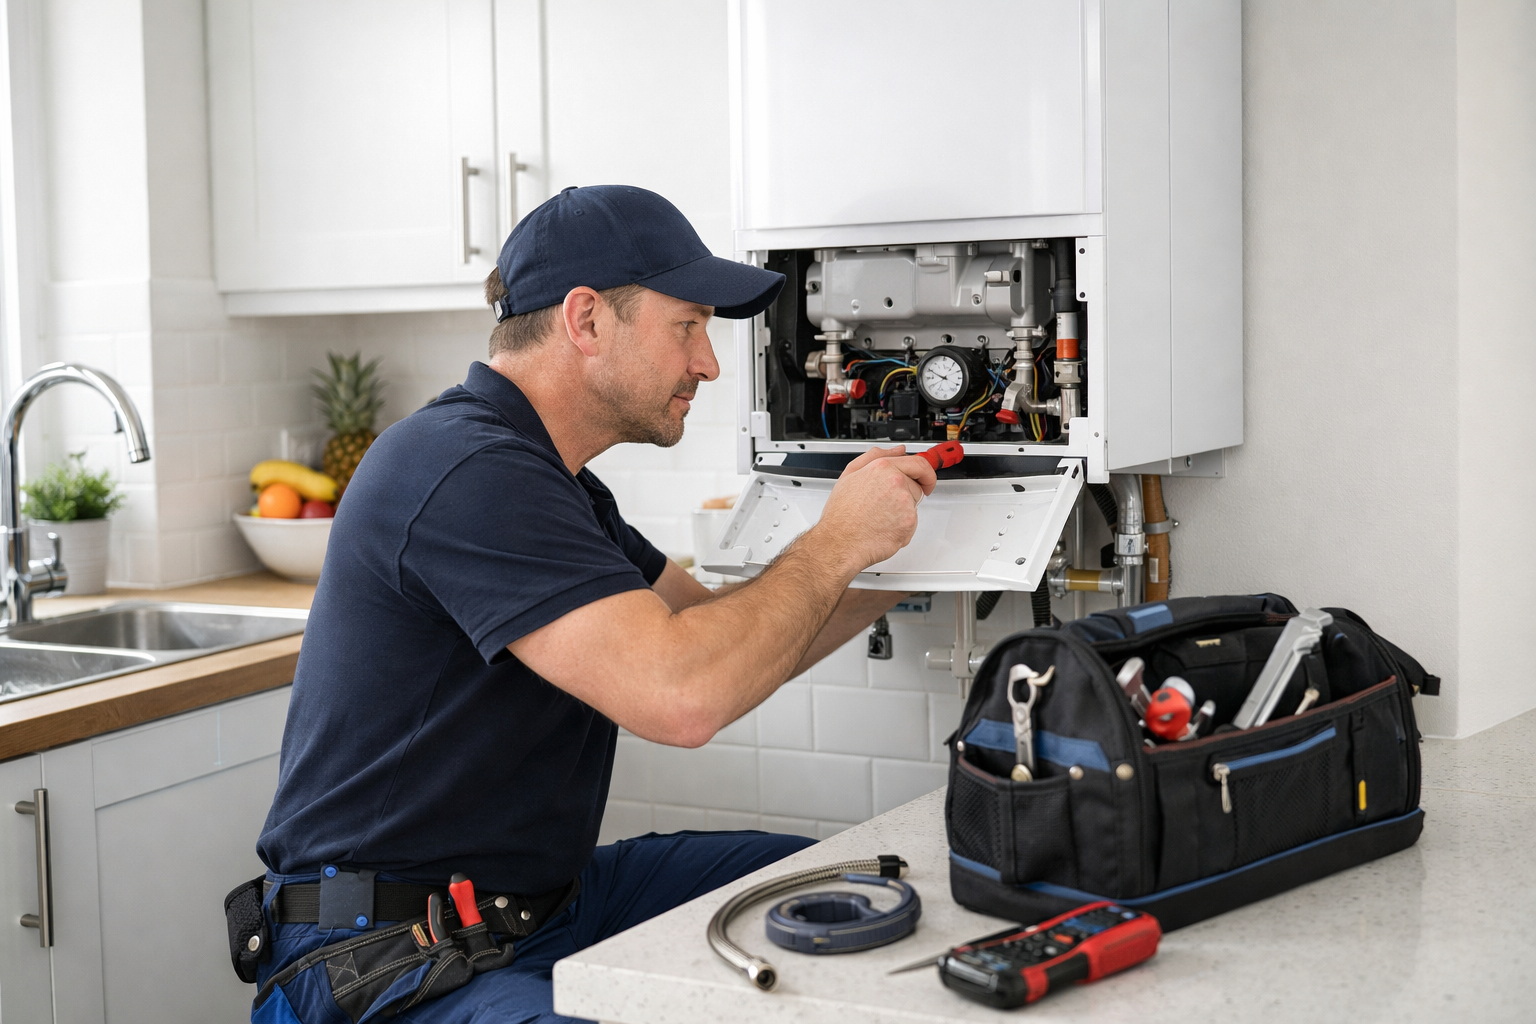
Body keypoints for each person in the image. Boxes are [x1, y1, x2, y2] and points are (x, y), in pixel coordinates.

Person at [249, 185, 936, 1023]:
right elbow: (684, 695)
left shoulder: (555, 482)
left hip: (534, 906)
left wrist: (907, 557)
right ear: (585, 320)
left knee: (848, 887)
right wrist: (836, 541)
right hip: (385, 956)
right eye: (688, 326)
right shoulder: (464, 468)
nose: (709, 363)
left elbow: (720, 632)